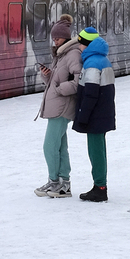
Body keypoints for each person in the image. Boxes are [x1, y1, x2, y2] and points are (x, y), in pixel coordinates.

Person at [34, 14, 83, 199]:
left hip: (62, 107)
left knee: (49, 146)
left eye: (58, 37)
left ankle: (55, 182)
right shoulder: (61, 54)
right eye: (53, 38)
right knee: (61, 147)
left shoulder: (72, 54)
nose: (55, 41)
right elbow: (56, 79)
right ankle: (64, 184)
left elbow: (78, 81)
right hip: (57, 105)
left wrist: (59, 89)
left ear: (66, 37)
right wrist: (47, 75)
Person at [73, 27, 116, 202]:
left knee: (95, 151)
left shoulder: (91, 64)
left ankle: (100, 188)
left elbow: (90, 93)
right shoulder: (103, 60)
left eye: (81, 44)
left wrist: (83, 116)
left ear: (87, 45)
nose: (79, 47)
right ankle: (100, 185)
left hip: (95, 115)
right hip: (103, 113)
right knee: (100, 150)